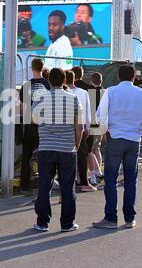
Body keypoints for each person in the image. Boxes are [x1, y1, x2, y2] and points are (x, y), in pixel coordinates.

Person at [93, 64, 142, 229]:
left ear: (118, 77)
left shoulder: (111, 92)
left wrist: (107, 130)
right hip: (134, 140)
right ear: (134, 77)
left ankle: (110, 218)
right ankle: (130, 218)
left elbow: (100, 116)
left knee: (110, 180)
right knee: (130, 180)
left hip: (115, 138)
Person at [32, 68, 83, 232]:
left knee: (44, 186)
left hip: (46, 147)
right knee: (68, 187)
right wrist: (76, 145)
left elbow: (34, 120)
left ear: (49, 81)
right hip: (67, 149)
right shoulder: (74, 99)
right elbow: (79, 127)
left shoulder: (40, 98)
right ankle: (67, 224)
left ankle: (42, 222)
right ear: (64, 80)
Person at [19, 59, 50, 194]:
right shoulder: (48, 84)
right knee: (46, 155)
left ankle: (25, 186)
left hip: (31, 125)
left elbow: (22, 109)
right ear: (43, 68)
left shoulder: (26, 85)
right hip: (45, 125)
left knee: (26, 156)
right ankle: (45, 185)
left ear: (32, 68)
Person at [65, 70, 96, 192]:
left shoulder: (63, 93)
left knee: (66, 154)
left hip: (66, 128)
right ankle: (83, 181)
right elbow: (87, 111)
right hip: (80, 127)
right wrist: (87, 127)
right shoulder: (83, 93)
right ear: (74, 79)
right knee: (82, 154)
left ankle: (67, 181)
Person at [87, 72, 105, 186]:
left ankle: (94, 174)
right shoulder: (105, 92)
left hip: (93, 124)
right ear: (101, 81)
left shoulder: (90, 93)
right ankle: (99, 171)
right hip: (102, 124)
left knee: (90, 150)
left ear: (91, 81)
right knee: (97, 149)